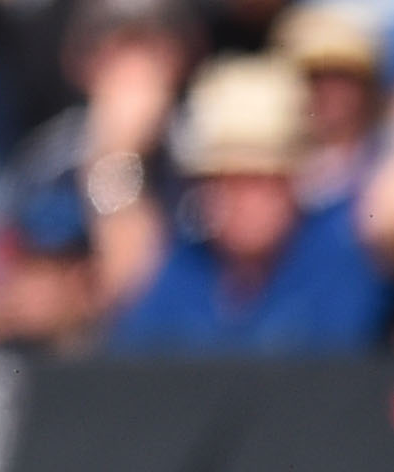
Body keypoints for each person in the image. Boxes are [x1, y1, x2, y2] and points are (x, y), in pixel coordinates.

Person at [111, 55, 389, 353]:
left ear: (297, 181)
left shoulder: (345, 251)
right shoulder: (181, 269)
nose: (246, 200)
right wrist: (118, 147)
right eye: (226, 181)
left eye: (263, 180)